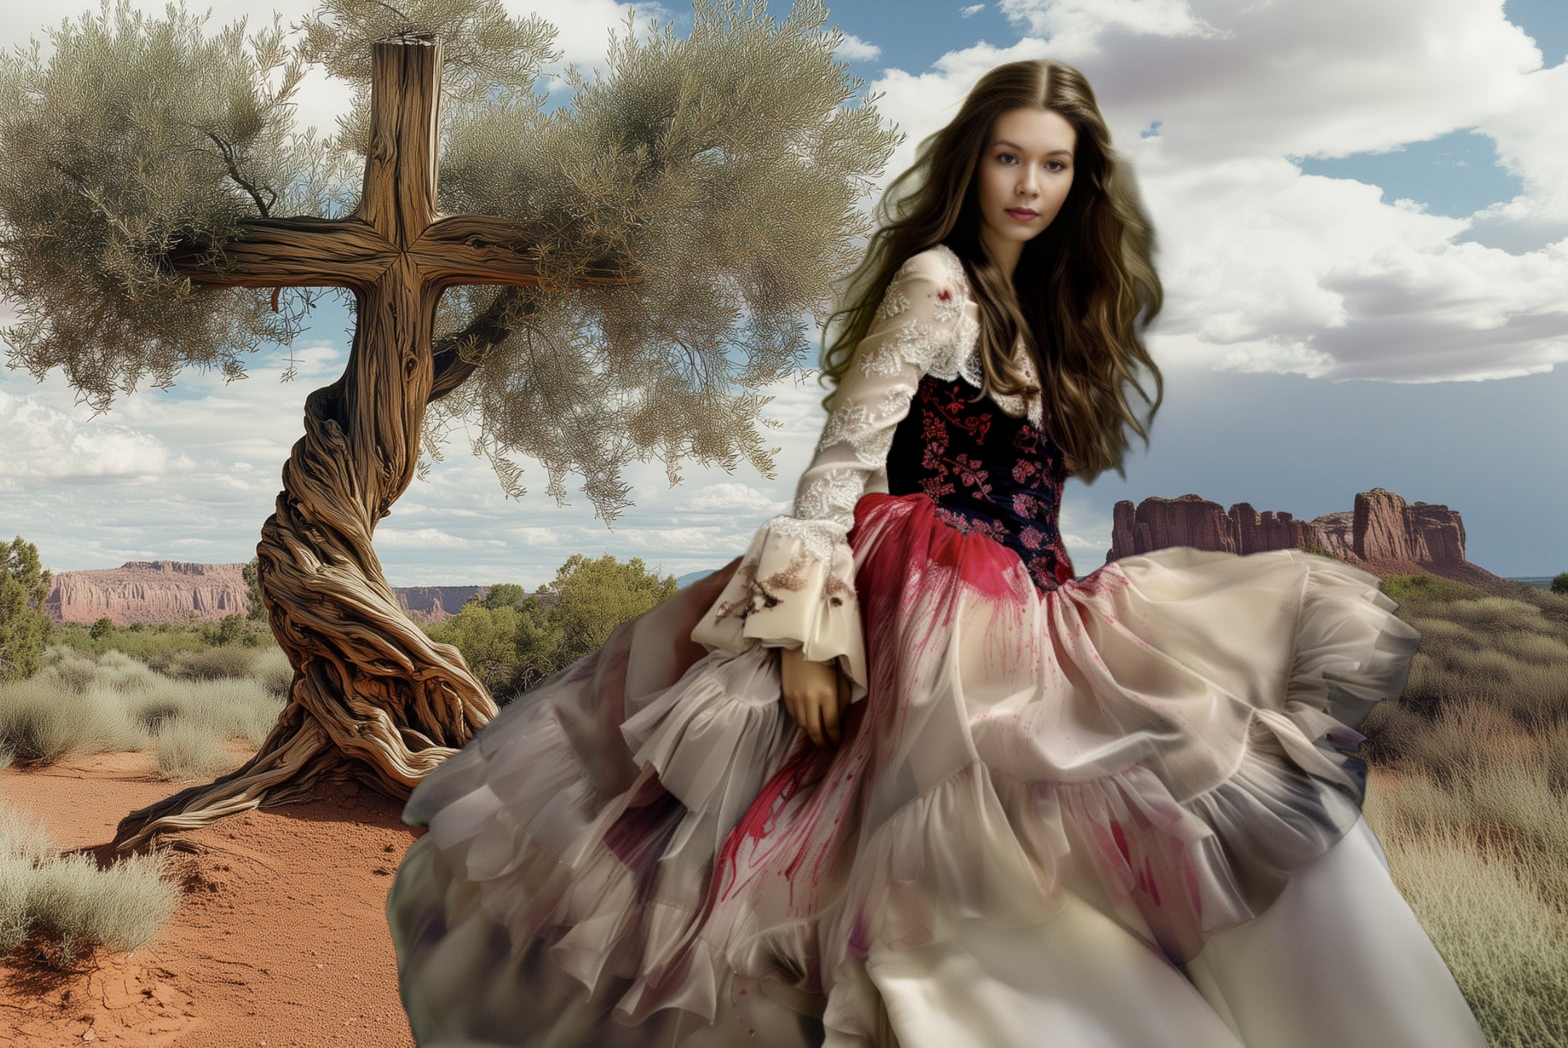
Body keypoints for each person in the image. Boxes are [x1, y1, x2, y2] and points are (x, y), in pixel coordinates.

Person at [385, 58, 1489, 1047]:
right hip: (914, 606)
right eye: (1008, 156)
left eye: (1052, 164)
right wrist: (805, 636)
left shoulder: (1052, 311)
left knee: (1182, 815)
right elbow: (834, 469)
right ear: (975, 162)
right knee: (915, 880)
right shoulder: (935, 283)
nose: (1028, 183)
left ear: (1078, 179)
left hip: (1032, 607)